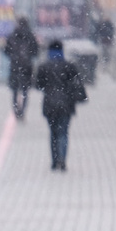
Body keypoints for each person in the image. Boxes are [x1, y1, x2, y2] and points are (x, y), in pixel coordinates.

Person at [35, 40, 86, 172]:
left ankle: (54, 161)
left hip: (49, 105)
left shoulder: (44, 66)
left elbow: (38, 85)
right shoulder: (69, 66)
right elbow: (77, 84)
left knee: (53, 133)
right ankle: (62, 160)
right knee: (63, 132)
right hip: (66, 104)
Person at [3, 17, 40, 121]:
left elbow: (6, 51)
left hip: (14, 66)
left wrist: (13, 56)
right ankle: (22, 111)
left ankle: (16, 111)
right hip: (27, 67)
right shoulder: (30, 36)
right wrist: (27, 57)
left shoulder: (12, 36)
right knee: (25, 91)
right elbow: (36, 52)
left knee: (15, 91)